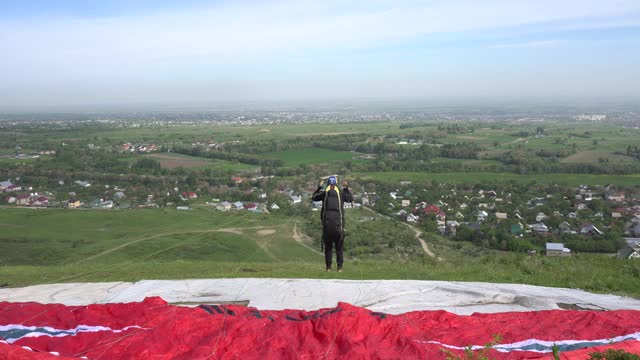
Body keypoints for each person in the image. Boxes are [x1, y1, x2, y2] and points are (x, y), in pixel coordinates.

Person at [312, 175, 353, 272]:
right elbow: (350, 198)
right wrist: (346, 188)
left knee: (328, 248)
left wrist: (319, 187)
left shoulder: (324, 194)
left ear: (328, 184)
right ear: (336, 183)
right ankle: (339, 268)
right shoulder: (341, 193)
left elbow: (313, 197)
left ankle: (328, 268)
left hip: (327, 227)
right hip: (339, 226)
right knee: (339, 248)